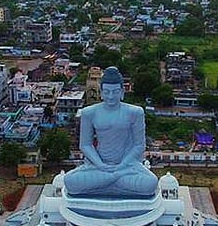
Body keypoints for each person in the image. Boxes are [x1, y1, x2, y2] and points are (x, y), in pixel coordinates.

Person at [62, 67, 158, 198]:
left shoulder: (135, 112)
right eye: (106, 92)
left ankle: (105, 182)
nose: (111, 96)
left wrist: (121, 166)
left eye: (115, 92)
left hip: (126, 166)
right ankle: (114, 182)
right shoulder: (89, 112)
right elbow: (85, 145)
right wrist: (101, 165)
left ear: (122, 92)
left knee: (150, 183)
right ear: (101, 92)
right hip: (99, 165)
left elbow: (139, 146)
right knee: (70, 181)